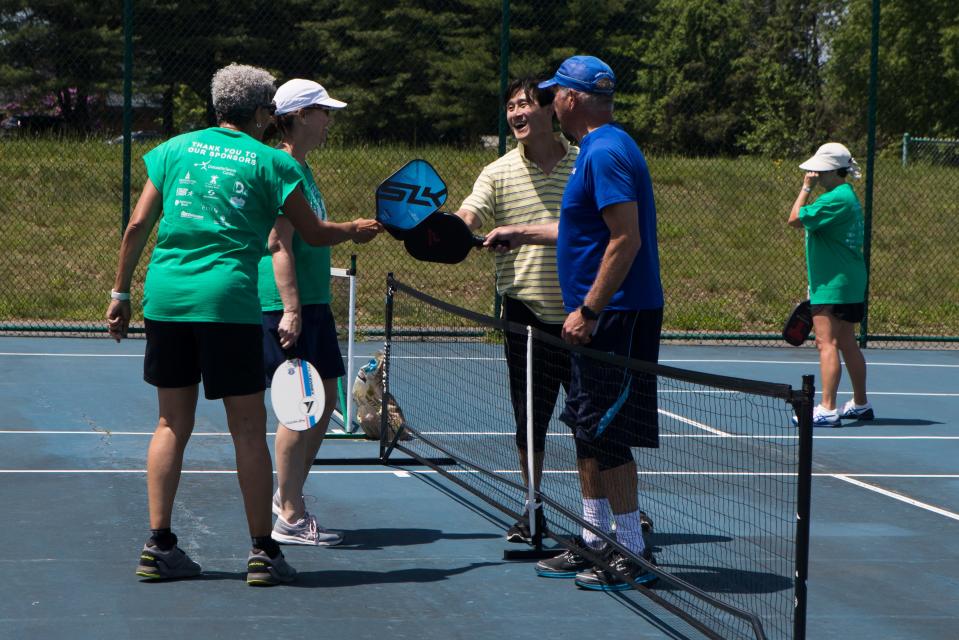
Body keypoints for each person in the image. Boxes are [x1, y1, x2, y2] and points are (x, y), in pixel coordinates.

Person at [106, 63, 381, 587]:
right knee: (248, 430)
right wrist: (355, 229)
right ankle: (263, 552)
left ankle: (158, 545)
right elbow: (313, 233)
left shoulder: (172, 150)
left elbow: (139, 223)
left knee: (169, 425)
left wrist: (120, 294)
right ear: (262, 113)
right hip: (227, 303)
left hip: (165, 298)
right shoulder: (269, 163)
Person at [486, 55, 663, 591]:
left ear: (570, 100)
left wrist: (589, 309)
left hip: (614, 314)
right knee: (587, 425)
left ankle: (629, 549)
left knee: (607, 432)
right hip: (602, 312)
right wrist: (518, 230)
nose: (546, 101)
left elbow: (624, 238)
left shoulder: (605, 152)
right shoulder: (599, 149)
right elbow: (578, 226)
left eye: (553, 93)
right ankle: (592, 538)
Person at [453, 77, 576, 545]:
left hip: (586, 313)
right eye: (509, 107)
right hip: (524, 315)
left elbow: (593, 227)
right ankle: (533, 507)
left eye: (523, 104)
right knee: (531, 421)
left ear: (550, 109)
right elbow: (471, 214)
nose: (515, 114)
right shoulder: (497, 172)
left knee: (597, 421)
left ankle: (614, 512)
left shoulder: (584, 164)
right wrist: (451, 230)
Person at [259, 78, 367, 546]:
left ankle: (288, 495)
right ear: (301, 116)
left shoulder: (302, 167)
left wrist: (349, 230)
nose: (329, 120)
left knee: (322, 403)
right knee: (298, 408)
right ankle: (289, 514)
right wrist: (291, 309)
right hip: (290, 304)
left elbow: (314, 231)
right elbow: (278, 241)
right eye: (323, 112)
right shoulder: (283, 165)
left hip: (313, 302)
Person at [787, 142, 872, 427]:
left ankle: (827, 408)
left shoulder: (835, 198)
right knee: (847, 342)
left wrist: (806, 187)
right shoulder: (846, 195)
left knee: (826, 343)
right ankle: (861, 404)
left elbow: (795, 218)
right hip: (848, 281)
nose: (816, 174)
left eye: (821, 171)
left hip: (834, 285)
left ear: (835, 171)